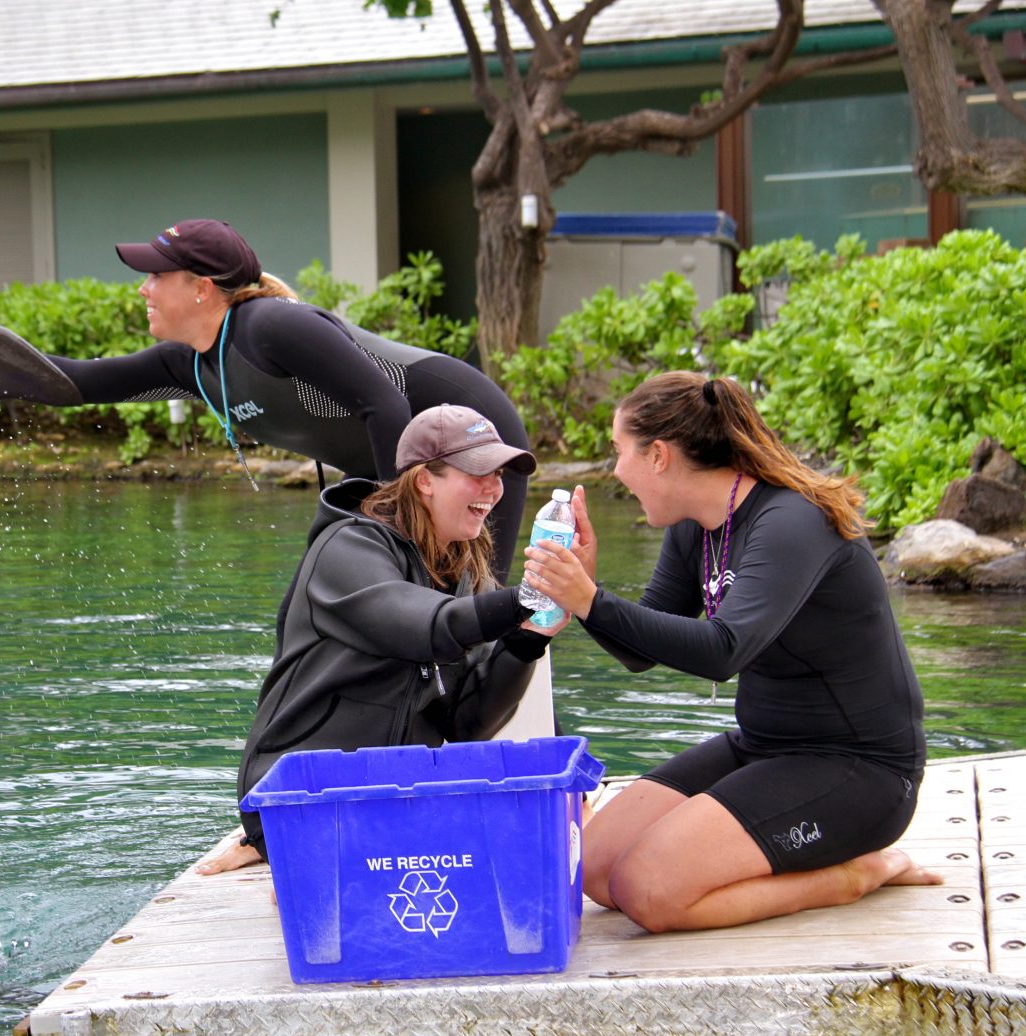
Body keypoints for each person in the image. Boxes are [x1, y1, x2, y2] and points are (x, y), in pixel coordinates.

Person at [521, 371, 939, 934]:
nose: (616, 470)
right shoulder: (698, 527)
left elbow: (724, 651)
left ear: (660, 456)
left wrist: (591, 600)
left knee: (647, 891)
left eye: (619, 451)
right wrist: (590, 591)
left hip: (860, 771)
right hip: (763, 747)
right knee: (593, 868)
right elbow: (643, 650)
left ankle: (855, 874)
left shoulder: (792, 520)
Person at [46, 219, 533, 583]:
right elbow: (77, 384)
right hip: (393, 462)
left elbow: (384, 405)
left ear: (202, 288)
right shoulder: (191, 363)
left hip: (476, 441)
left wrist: (399, 535)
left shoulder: (271, 327)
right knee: (332, 590)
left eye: (155, 275)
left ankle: (498, 705)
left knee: (471, 598)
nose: (142, 288)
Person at [198, 404, 564, 875]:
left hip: (398, 797)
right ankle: (284, 855)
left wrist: (528, 640)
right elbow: (426, 628)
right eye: (478, 472)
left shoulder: (466, 575)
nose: (494, 489)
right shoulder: (348, 549)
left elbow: (468, 723)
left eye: (499, 473)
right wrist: (527, 598)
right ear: (423, 481)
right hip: (300, 798)